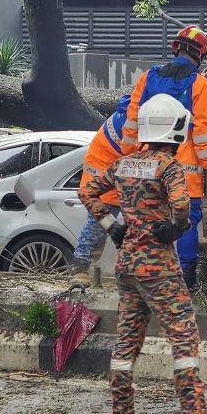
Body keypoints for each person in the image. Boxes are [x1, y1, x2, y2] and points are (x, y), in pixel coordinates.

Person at [79, 94, 207, 414]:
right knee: (184, 338)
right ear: (177, 129)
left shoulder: (123, 164)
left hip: (127, 267)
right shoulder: (169, 168)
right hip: (160, 270)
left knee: (126, 342)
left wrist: (111, 226)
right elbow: (181, 204)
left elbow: (88, 190)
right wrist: (176, 227)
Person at [120, 25, 207, 287]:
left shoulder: (147, 78)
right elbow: (201, 130)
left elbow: (132, 121)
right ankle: (185, 280)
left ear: (176, 47)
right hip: (186, 169)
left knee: (148, 219)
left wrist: (130, 156)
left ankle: (145, 277)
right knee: (185, 224)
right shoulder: (199, 83)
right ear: (199, 53)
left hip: (147, 166)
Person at [68, 94, 131, 287]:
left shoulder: (133, 112)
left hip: (113, 173)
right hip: (106, 175)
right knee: (97, 228)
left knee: (103, 227)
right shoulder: (133, 120)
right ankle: (79, 269)